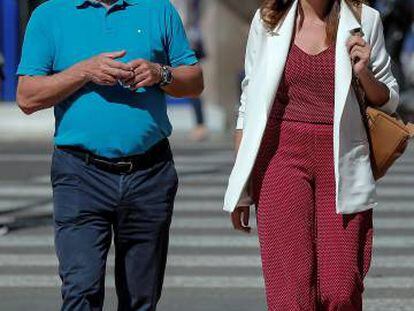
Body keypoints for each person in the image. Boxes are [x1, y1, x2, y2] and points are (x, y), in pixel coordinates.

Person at [16, 0, 203, 310]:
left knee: (141, 298)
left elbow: (195, 82)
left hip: (149, 173)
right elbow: (27, 97)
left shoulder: (158, 9)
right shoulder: (50, 13)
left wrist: (161, 73)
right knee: (81, 291)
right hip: (79, 173)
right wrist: (84, 71)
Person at [224, 0, 399, 310]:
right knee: (291, 294)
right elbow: (248, 102)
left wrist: (364, 73)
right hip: (281, 156)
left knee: (341, 289)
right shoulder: (268, 20)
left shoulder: (364, 19)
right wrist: (241, 187)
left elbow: (389, 100)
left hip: (342, 157)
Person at [171, 0, 208, 141]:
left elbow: (188, 18)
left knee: (191, 82)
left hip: (185, 40)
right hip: (177, 37)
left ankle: (200, 124)